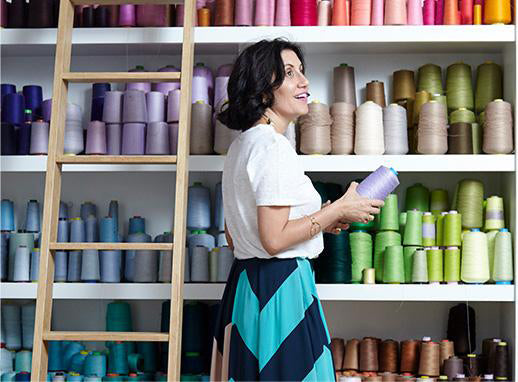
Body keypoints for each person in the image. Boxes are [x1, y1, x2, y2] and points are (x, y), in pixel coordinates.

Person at [210, 38, 384, 381]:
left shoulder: (241, 146)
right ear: (262, 91)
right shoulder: (273, 148)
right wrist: (335, 212)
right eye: (289, 74)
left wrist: (325, 220)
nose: (304, 81)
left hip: (246, 286)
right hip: (280, 288)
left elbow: (236, 236)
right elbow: (274, 240)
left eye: (302, 71)